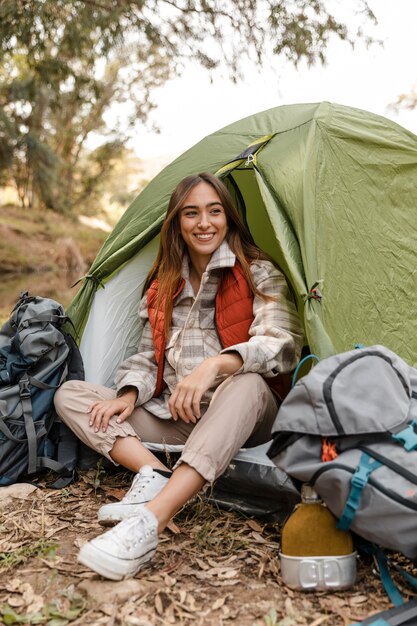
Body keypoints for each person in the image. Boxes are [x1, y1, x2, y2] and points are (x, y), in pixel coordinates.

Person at [54, 172, 304, 581]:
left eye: (214, 211)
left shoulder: (259, 272)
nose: (203, 223)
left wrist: (214, 366)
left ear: (229, 218)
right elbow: (145, 356)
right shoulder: (161, 285)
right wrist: (130, 394)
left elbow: (282, 344)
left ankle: (150, 520)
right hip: (177, 418)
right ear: (177, 222)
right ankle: (154, 473)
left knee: (247, 383)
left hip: (244, 415)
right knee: (72, 395)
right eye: (191, 213)